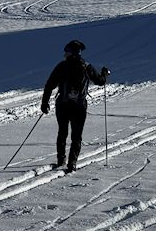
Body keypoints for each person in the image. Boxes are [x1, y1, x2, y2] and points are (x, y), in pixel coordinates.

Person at [41, 39, 110, 173]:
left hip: (62, 104)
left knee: (62, 132)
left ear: (70, 52)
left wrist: (45, 103)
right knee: (76, 135)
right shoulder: (86, 66)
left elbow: (49, 85)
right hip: (79, 106)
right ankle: (72, 163)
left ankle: (61, 160)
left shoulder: (62, 66)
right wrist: (104, 74)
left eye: (66, 51)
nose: (64, 54)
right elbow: (100, 82)